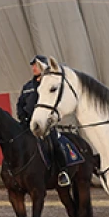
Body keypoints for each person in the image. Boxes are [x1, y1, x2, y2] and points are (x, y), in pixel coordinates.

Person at [17, 55, 71, 187]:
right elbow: (20, 103)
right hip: (27, 123)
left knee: (54, 143)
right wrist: (22, 117)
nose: (34, 68)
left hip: (44, 124)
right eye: (33, 66)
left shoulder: (48, 83)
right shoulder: (27, 86)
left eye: (36, 65)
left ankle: (62, 172)